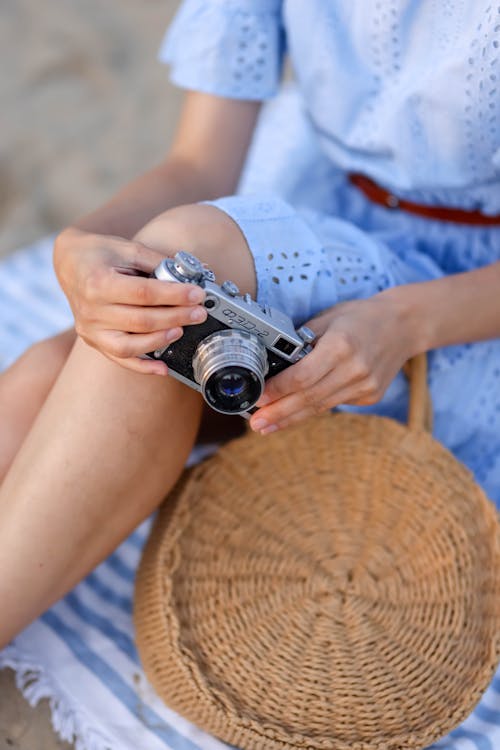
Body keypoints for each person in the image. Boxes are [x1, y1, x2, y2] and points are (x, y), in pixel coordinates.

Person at [0, 0, 499, 649]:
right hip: (324, 206)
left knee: (185, 260)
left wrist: (402, 322)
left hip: (465, 305)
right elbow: (200, 166)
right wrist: (82, 245)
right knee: (51, 370)